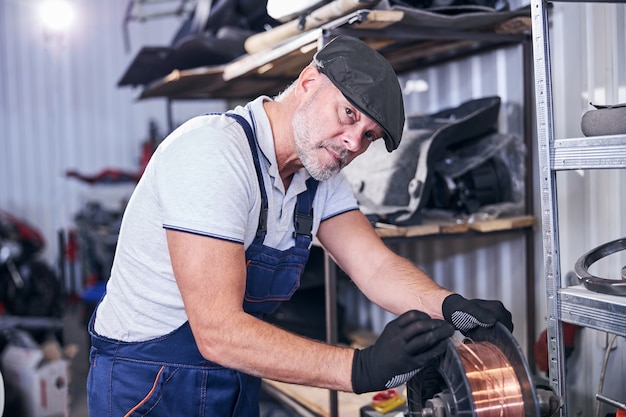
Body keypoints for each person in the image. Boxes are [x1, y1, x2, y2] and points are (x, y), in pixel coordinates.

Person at [86, 35, 513, 416]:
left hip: (236, 374)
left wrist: (452, 307)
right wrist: (359, 367)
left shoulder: (318, 177)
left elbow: (374, 265)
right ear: (309, 82)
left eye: (369, 135)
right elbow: (217, 331)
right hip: (149, 385)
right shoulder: (214, 153)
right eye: (348, 114)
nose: (353, 142)